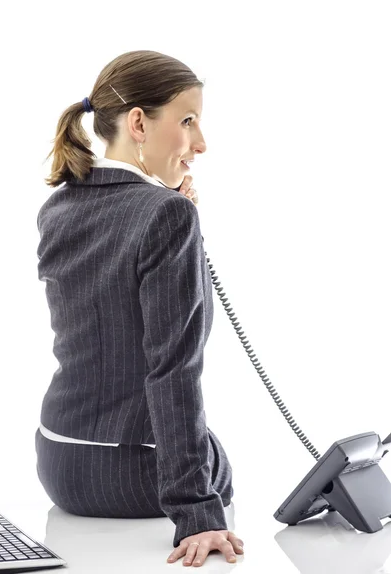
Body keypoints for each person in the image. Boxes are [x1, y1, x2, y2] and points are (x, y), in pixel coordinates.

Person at [34, 49, 245, 567]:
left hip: (58, 468)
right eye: (188, 121)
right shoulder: (167, 214)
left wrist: (173, 210)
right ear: (138, 123)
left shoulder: (58, 206)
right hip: (133, 480)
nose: (200, 143)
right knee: (218, 459)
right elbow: (173, 367)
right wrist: (198, 511)